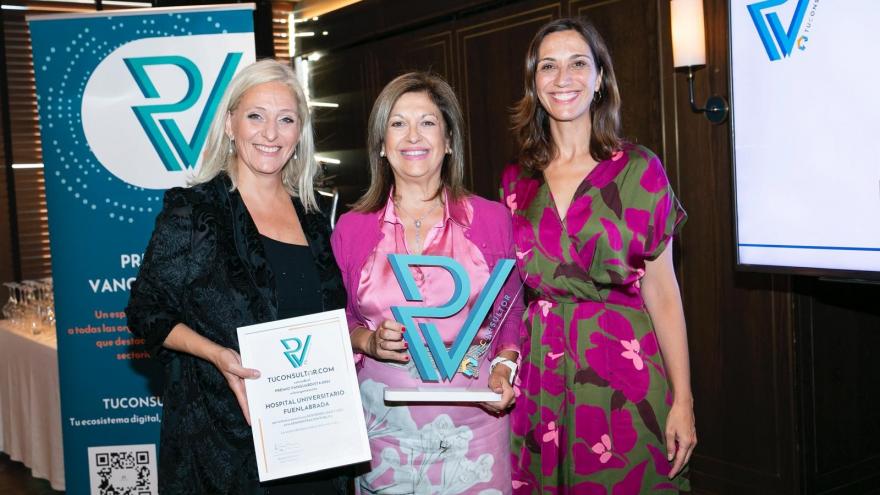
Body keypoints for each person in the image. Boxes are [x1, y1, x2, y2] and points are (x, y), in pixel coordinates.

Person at [126, 59, 349, 495]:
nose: (270, 133)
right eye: (255, 116)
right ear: (230, 123)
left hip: (315, 440)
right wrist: (217, 355)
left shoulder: (317, 216)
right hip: (222, 445)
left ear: (299, 133)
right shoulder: (194, 211)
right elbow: (145, 311)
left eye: (285, 119)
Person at [501, 18, 697, 493]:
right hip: (542, 377)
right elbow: (509, 292)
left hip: (624, 373)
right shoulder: (516, 183)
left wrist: (684, 400)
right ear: (534, 83)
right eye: (548, 66)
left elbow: (664, 292)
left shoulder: (640, 169)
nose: (562, 78)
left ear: (600, 80)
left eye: (577, 64)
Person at [331, 72, 524, 494]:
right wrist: (367, 341)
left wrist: (505, 368)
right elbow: (338, 323)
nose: (412, 135)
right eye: (398, 123)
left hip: (477, 432)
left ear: (449, 140)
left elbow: (510, 314)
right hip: (384, 435)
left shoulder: (492, 220)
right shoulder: (351, 228)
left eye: (428, 122)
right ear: (381, 145)